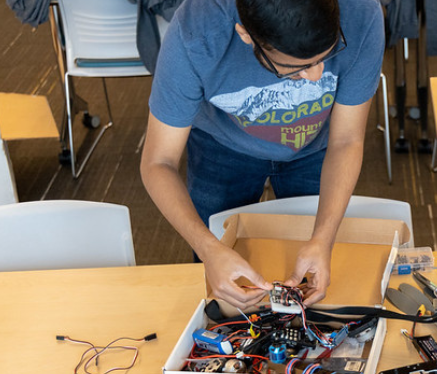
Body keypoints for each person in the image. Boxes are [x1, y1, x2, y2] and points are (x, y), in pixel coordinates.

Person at [140, 0, 384, 309]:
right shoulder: (196, 32)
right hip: (221, 144)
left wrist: (323, 238)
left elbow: (347, 140)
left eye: (327, 55)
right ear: (245, 34)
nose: (316, 75)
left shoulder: (361, 12)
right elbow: (157, 162)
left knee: (315, 270)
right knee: (224, 281)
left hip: (317, 148)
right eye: (297, 67)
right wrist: (208, 250)